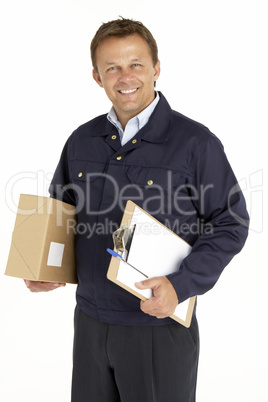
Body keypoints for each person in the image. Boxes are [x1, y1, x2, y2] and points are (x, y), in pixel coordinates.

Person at [24, 17, 249, 402]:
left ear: (156, 69)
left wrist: (180, 285)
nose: (125, 77)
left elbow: (230, 222)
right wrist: (42, 266)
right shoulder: (82, 139)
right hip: (91, 324)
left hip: (157, 325)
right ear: (97, 76)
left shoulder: (195, 142)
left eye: (136, 64)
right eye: (112, 67)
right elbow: (60, 211)